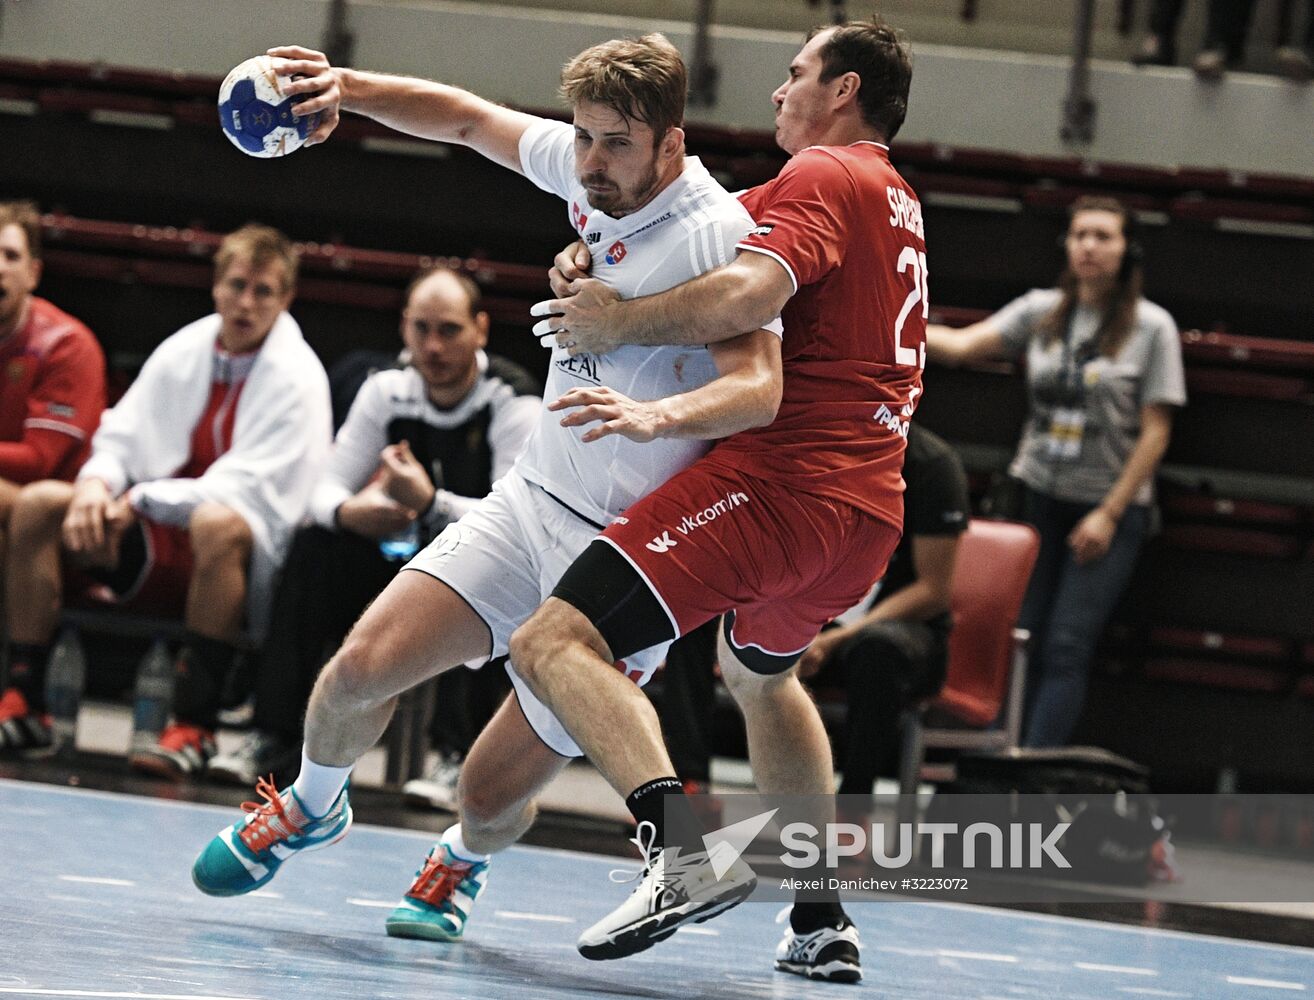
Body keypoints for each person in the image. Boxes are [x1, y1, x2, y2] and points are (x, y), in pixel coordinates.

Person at [191, 30, 786, 968]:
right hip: (531, 502)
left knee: (486, 792)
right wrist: (342, 87)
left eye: (615, 146)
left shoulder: (720, 233)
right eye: (583, 138)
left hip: (625, 561)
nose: (589, 163)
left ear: (671, 146)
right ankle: (309, 805)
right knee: (355, 675)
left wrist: (653, 417)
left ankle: (461, 862)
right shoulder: (590, 169)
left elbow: (760, 386)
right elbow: (466, 119)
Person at [516, 17, 922, 980]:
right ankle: (820, 918)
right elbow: (688, 234)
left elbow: (741, 294)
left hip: (781, 490)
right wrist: (600, 257)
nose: (778, 93)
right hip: (866, 517)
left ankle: (682, 850)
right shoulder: (892, 194)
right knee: (762, 678)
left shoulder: (829, 174)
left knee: (550, 642)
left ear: (845, 90)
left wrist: (617, 320)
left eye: (795, 75)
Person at [2, 224, 332, 771]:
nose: (245, 302)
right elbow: (120, 436)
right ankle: (26, 700)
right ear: (215, 286)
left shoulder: (300, 377)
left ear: (286, 298)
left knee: (215, 523)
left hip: (238, 563)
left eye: (263, 291)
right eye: (236, 285)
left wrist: (137, 499)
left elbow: (245, 491)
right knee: (39, 503)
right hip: (153, 535)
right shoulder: (185, 348)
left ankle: (194, 723)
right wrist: (96, 485)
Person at [208, 266, 539, 787]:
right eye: (420, 329)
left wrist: (432, 504)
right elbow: (322, 493)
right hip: (395, 564)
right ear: (404, 327)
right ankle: (273, 736)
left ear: (480, 329)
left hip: (470, 574)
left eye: (449, 330)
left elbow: (520, 524)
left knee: (497, 574)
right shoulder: (386, 389)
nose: (432, 346)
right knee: (316, 545)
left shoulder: (512, 399)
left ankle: (457, 756)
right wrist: (349, 514)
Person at [925, 195, 1185, 748]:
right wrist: (889, 319)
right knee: (1014, 637)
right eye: (1080, 235)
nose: (1089, 246)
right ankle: (991, 758)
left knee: (1066, 643)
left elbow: (1156, 431)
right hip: (1036, 495)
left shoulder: (1152, 328)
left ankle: (1032, 771)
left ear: (1127, 249)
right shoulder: (1042, 310)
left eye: (1104, 236)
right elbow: (962, 345)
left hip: (1105, 511)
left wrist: (1108, 515)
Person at [796, 424, 969, 798]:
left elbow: (933, 591)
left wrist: (837, 639)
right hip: (809, 619)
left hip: (904, 632)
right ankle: (690, 785)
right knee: (694, 624)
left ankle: (854, 807)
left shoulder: (932, 465)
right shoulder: (817, 444)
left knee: (879, 649)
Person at [0, 200, 107, 752]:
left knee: (29, 500)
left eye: (9, 255)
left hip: (70, 514)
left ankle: (26, 693)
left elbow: (41, 459)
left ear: (33, 271)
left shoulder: (66, 345)